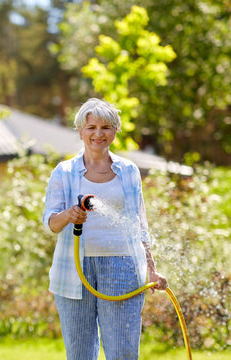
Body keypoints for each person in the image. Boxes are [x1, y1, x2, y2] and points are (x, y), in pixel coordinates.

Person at [43, 98, 168, 360]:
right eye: (91, 127)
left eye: (106, 127)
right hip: (74, 269)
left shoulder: (128, 171)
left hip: (122, 266)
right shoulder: (64, 172)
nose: (98, 134)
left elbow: (139, 224)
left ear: (115, 131)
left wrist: (151, 269)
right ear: (80, 131)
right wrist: (69, 214)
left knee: (122, 352)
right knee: (79, 354)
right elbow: (51, 223)